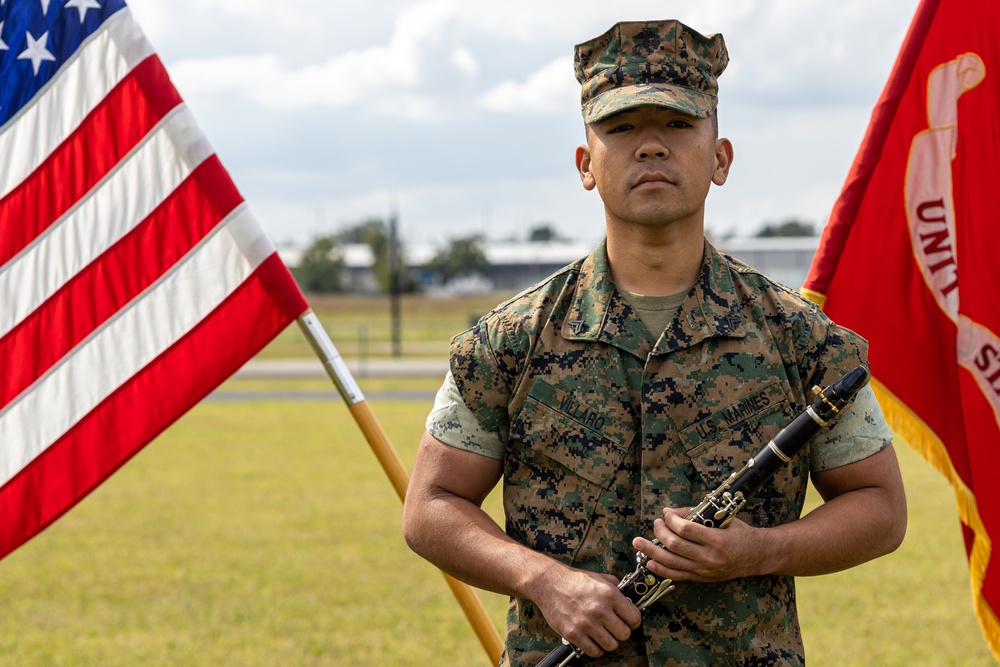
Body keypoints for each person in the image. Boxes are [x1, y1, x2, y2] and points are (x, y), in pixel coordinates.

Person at [402, 18, 907, 667]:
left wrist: (761, 550)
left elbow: (881, 507)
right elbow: (430, 506)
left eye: (676, 125)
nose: (650, 148)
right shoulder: (509, 341)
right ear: (586, 163)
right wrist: (543, 580)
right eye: (621, 128)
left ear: (720, 156)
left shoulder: (803, 341)